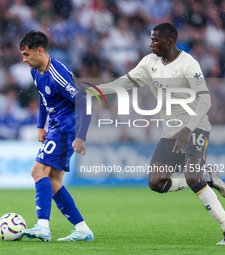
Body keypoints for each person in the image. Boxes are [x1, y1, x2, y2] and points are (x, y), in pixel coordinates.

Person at [88, 23, 225, 245]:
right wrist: (92, 90)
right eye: (151, 39)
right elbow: (124, 83)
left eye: (155, 40)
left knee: (192, 177)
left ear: (168, 41)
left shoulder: (189, 63)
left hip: (196, 127)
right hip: (171, 132)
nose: (150, 44)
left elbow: (205, 99)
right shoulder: (149, 62)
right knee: (157, 182)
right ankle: (208, 177)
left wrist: (188, 128)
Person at [19, 30, 93, 242]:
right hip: (55, 127)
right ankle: (82, 230)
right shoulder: (36, 71)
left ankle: (42, 226)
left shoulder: (58, 74)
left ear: (39, 51)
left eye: (26, 54)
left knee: (37, 170)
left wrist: (80, 136)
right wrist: (40, 125)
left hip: (66, 129)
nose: (24, 59)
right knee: (52, 181)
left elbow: (84, 104)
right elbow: (44, 99)